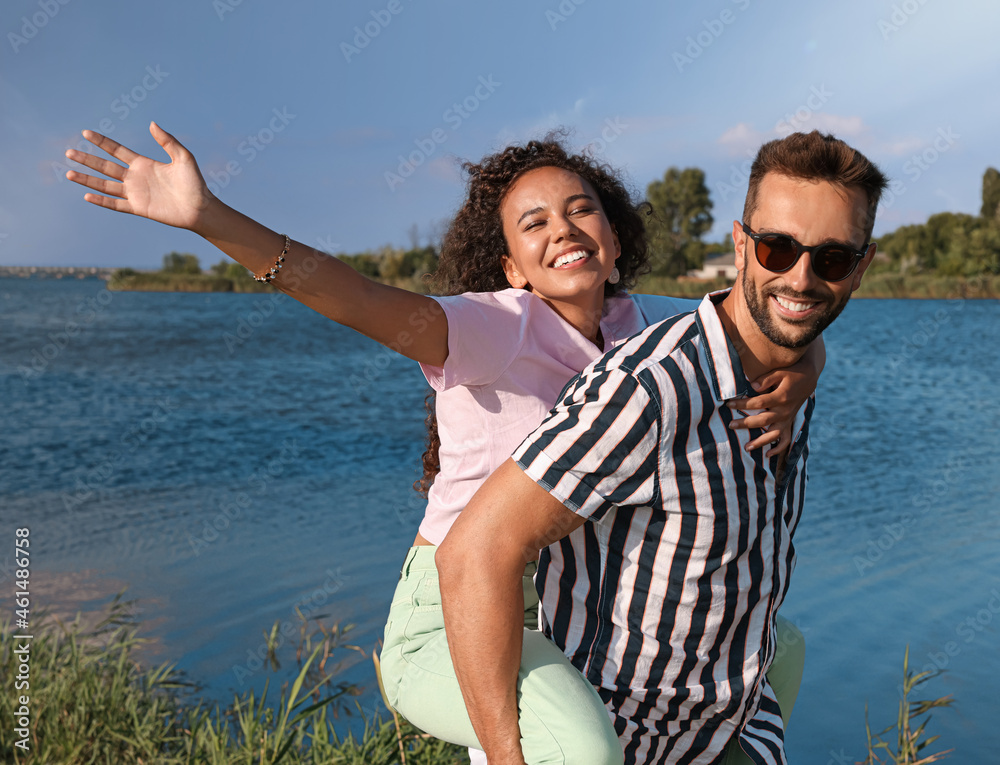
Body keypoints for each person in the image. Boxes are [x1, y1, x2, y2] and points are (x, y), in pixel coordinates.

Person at [65, 125, 819, 763]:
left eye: (580, 208)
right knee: (585, 750)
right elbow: (356, 297)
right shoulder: (495, 328)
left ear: (615, 239)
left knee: (770, 650)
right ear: (512, 268)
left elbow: (774, 317)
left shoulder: (641, 327)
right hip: (450, 611)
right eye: (534, 223)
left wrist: (803, 372)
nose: (562, 227)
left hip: (574, 604)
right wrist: (209, 218)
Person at [436, 130, 888, 765]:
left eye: (832, 259)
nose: (801, 278)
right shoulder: (652, 387)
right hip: (612, 743)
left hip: (721, 731)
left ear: (862, 265)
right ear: (741, 245)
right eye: (777, 249)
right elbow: (473, 553)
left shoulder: (790, 378)